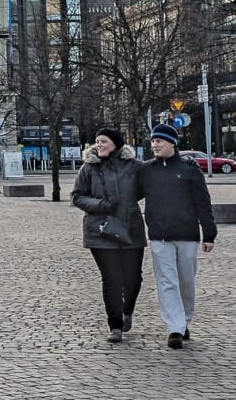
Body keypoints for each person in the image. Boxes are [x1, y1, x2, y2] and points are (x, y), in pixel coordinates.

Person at [139, 123, 217, 349]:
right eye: (153, 141)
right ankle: (174, 328)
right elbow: (129, 191)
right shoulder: (146, 170)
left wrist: (209, 233)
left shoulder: (190, 170)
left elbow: (203, 203)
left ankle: (184, 320)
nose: (155, 145)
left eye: (159, 141)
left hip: (187, 235)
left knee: (186, 281)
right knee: (166, 282)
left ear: (172, 143)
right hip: (159, 235)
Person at [70, 128, 146, 342]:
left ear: (116, 144)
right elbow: (77, 196)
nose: (99, 145)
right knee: (112, 278)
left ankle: (127, 310)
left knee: (133, 278)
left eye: (103, 141)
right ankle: (115, 326)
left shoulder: (134, 166)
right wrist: (101, 205)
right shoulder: (89, 167)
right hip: (99, 230)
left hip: (130, 228)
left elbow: (149, 184)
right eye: (96, 141)